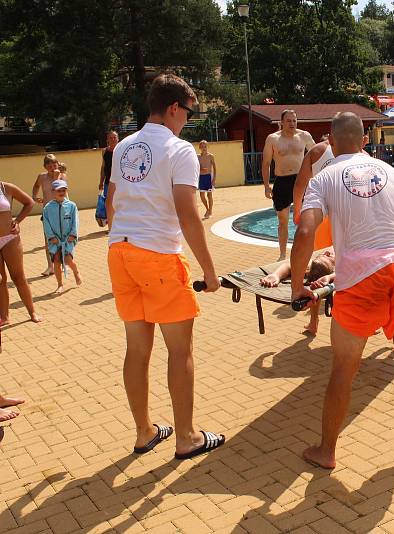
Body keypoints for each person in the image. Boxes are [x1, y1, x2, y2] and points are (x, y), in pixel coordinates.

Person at [291, 112, 394, 469]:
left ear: (331, 143)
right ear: (365, 141)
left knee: (344, 369)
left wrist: (297, 288)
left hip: (363, 277)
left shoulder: (325, 177)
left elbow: (305, 232)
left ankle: (327, 451)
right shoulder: (392, 173)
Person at [107, 73, 224, 459]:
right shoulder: (179, 150)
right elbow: (188, 214)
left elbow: (112, 200)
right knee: (180, 350)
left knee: (136, 348)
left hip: (119, 252)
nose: (186, 121)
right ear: (174, 107)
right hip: (157, 254)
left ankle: (144, 432)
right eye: (187, 113)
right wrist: (208, 270)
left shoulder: (123, 147)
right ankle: (186, 437)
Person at [262, 110, 315, 261]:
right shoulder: (273, 139)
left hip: (301, 180)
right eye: (289, 121)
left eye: (294, 120)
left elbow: (317, 154)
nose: (292, 123)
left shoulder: (304, 136)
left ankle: (304, 253)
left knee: (304, 220)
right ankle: (283, 255)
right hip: (282, 181)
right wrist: (266, 186)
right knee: (282, 220)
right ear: (282, 122)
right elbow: (266, 163)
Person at [260, 249, 335, 335]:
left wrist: (329, 277)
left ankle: (313, 322)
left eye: (327, 257)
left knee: (317, 286)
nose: (326, 253)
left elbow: (347, 272)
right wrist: (276, 275)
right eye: (322, 256)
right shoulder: (317, 263)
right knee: (316, 286)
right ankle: (313, 322)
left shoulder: (343, 261)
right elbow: (289, 266)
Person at [0, 180, 40, 324]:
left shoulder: (5, 187)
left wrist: (17, 221)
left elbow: (29, 202)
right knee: (0, 280)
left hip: (10, 238)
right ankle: (4, 317)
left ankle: (32, 312)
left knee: (18, 277)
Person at [42, 180, 81, 294]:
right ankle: (60, 285)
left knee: (68, 260)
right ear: (53, 191)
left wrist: (73, 234)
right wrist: (51, 237)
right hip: (54, 240)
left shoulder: (71, 206)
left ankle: (76, 271)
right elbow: (46, 223)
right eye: (59, 190)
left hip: (68, 239)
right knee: (57, 262)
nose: (62, 192)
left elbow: (75, 221)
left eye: (64, 190)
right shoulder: (48, 208)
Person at [31, 153, 62, 276]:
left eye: (54, 164)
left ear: (58, 164)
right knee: (48, 240)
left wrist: (56, 178)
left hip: (61, 211)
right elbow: (36, 186)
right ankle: (50, 266)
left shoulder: (62, 176)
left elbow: (59, 191)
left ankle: (63, 263)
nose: (52, 166)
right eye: (49, 165)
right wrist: (34, 196)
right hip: (48, 212)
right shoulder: (41, 177)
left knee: (61, 239)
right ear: (45, 167)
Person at [98, 131, 119, 228]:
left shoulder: (121, 149)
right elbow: (103, 167)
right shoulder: (104, 151)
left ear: (118, 138)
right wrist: (101, 182)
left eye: (115, 137)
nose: (113, 139)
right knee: (109, 204)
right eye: (111, 138)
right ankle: (110, 227)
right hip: (108, 182)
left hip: (120, 182)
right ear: (107, 140)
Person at [197, 140, 217, 219]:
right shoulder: (197, 157)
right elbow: (196, 167)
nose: (204, 148)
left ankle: (210, 211)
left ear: (207, 147)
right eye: (202, 146)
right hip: (201, 177)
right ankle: (207, 209)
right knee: (202, 195)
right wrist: (201, 169)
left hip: (209, 177)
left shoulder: (211, 156)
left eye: (205, 146)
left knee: (209, 195)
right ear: (200, 148)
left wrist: (214, 179)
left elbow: (215, 168)